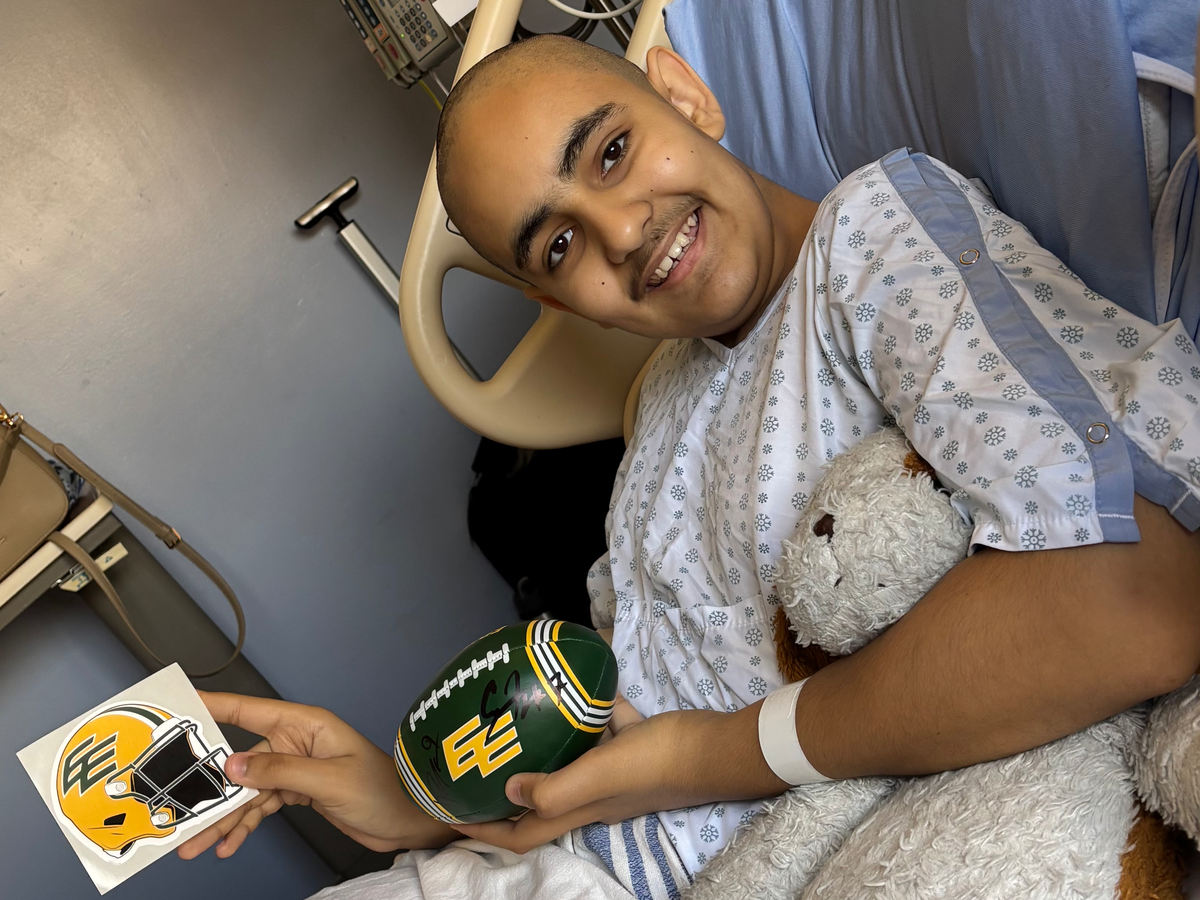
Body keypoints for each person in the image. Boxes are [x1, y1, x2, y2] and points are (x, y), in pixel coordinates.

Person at [180, 34, 1200, 897]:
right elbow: (619, 729)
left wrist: (703, 756)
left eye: (613, 151)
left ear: (683, 93)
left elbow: (1131, 603)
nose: (625, 231)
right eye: (559, 247)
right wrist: (418, 804)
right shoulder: (660, 404)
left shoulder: (872, 239)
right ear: (555, 303)